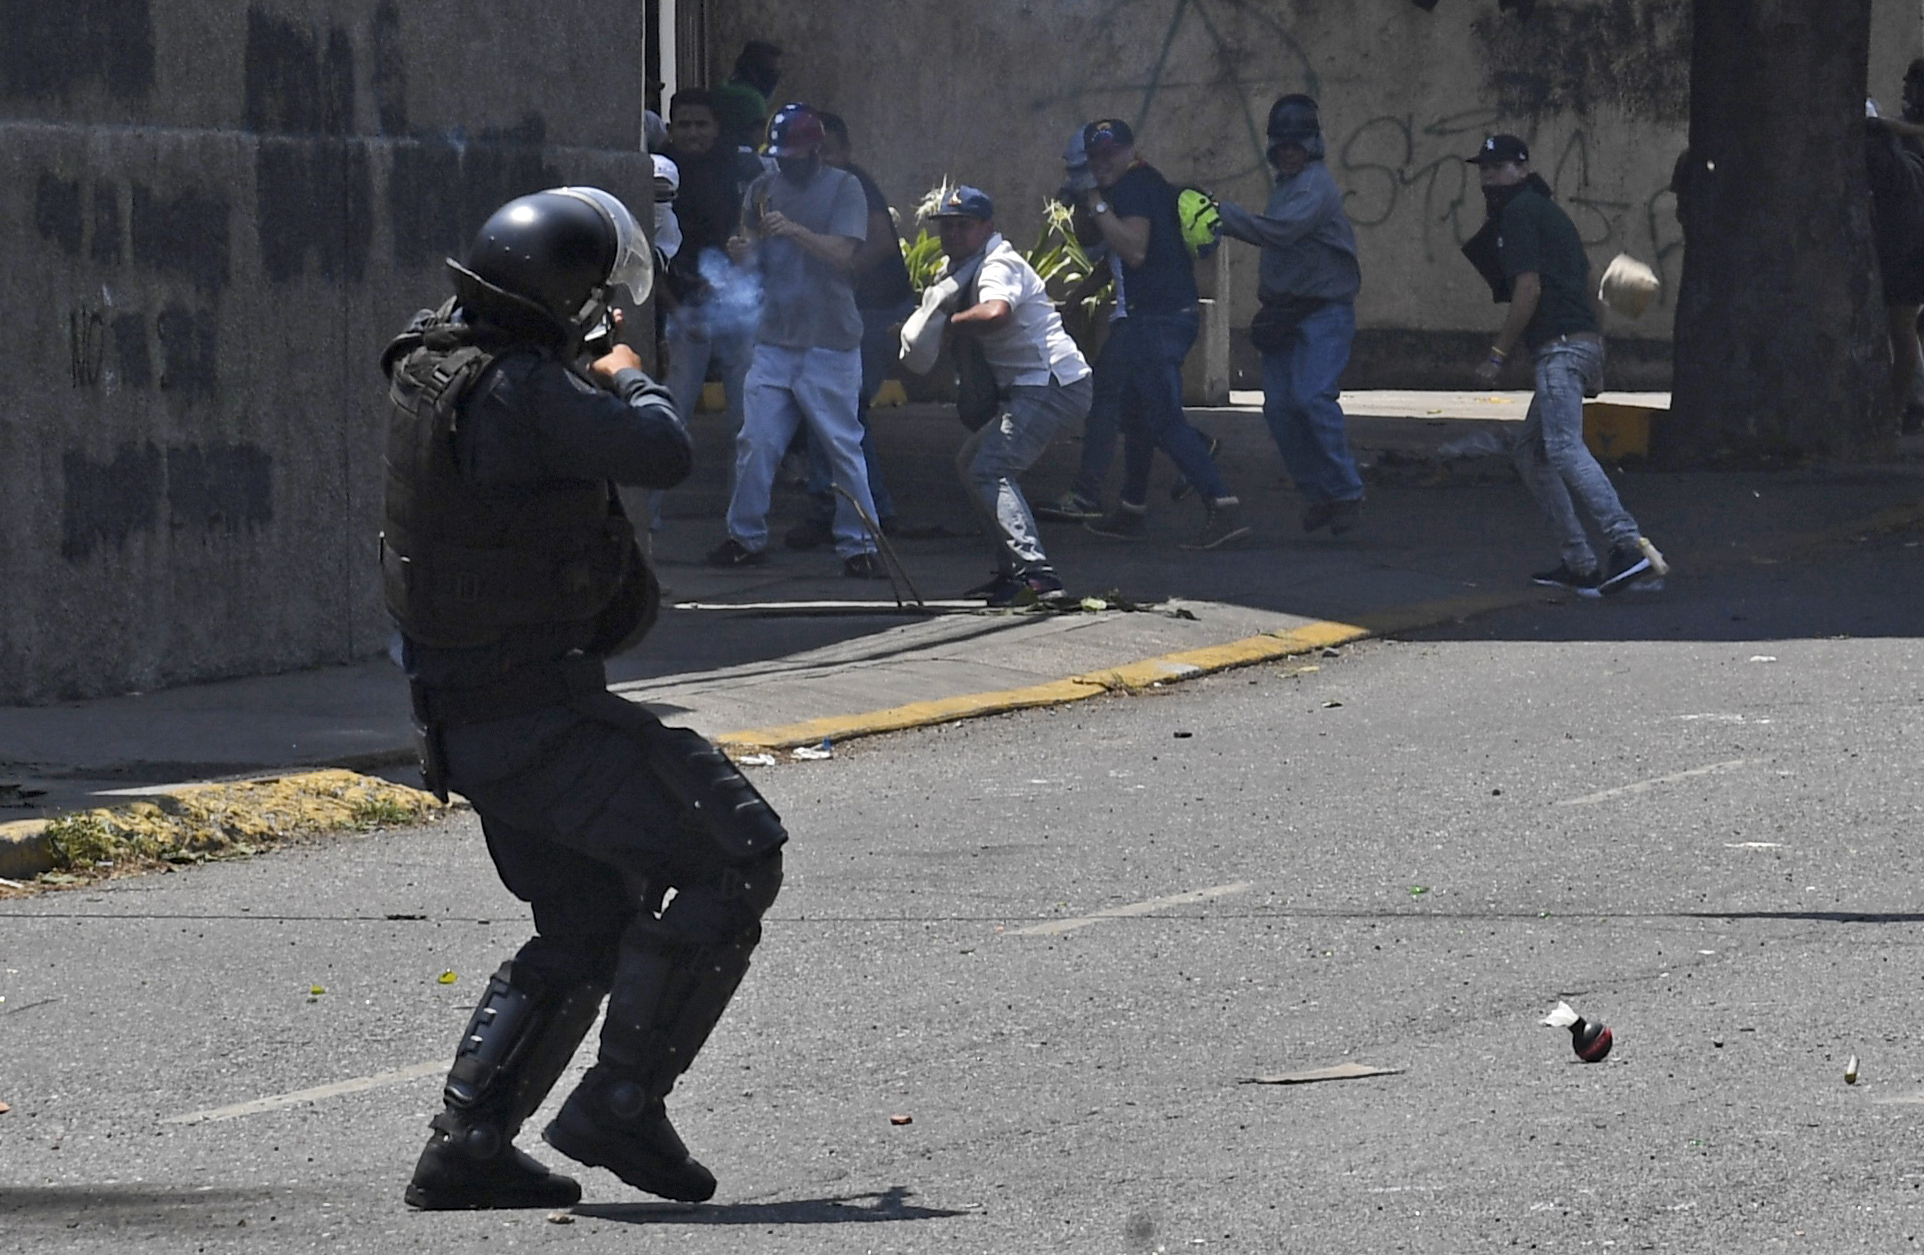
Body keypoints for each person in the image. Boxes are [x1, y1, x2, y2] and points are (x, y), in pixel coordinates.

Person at [382, 187, 787, 1210]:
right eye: (593, 300)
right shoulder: (521, 389)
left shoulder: (439, 364)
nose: (603, 318)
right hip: (536, 716)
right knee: (734, 852)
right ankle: (621, 1101)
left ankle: (466, 1143)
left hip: (469, 713)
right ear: (557, 293)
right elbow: (659, 450)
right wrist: (631, 374)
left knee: (586, 914)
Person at [1462, 134, 1665, 594]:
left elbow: (1527, 290)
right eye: (1483, 169)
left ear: (1522, 167)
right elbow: (1592, 283)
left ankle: (1628, 546)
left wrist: (1497, 355)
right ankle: (1579, 562)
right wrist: (1598, 356)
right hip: (1580, 343)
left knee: (1563, 448)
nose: (1488, 176)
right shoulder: (1549, 211)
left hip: (1558, 346)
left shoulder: (1517, 214)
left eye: (1498, 167)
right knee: (1531, 453)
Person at [710, 103, 887, 576]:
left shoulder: (844, 188)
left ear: (815, 150)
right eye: (780, 154)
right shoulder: (762, 189)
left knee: (842, 447)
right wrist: (744, 253)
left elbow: (843, 253)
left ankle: (859, 545)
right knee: (756, 442)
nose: (786, 162)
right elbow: (752, 252)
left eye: (794, 154)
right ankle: (744, 536)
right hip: (775, 338)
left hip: (829, 341)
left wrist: (794, 231)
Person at [1074, 119, 1249, 550]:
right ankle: (1132, 510)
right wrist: (1078, 296)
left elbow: (1133, 251)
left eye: (1110, 154)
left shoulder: (1133, 188)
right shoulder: (1145, 184)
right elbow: (1121, 258)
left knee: (1162, 418)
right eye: (1094, 157)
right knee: (1136, 416)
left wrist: (1096, 204)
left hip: (1154, 320)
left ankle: (1222, 505)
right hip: (1158, 317)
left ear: (1131, 151)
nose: (1101, 164)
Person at [916, 185, 1093, 604]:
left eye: (964, 225)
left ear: (987, 227)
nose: (954, 234)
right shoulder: (963, 266)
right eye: (948, 226)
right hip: (1033, 384)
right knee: (970, 461)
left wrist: (945, 323)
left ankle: (1039, 574)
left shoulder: (998, 264)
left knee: (990, 467)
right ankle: (1012, 572)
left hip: (1052, 382)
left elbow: (996, 313)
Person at [1216, 94, 1366, 534]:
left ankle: (1347, 491)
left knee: (1312, 398)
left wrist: (1221, 215)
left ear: (1313, 145)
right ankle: (1320, 494)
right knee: (1279, 409)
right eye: (1282, 145)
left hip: (1324, 312)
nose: (1289, 151)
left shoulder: (1315, 185)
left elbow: (1280, 233)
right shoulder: (1286, 185)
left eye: (1296, 144)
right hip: (1284, 313)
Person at [783, 111, 915, 549]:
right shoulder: (807, 188)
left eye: (827, 148)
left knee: (842, 409)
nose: (819, 157)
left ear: (843, 150)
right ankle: (858, 511)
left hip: (875, 312)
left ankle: (864, 512)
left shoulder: (852, 185)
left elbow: (879, 243)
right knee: (834, 409)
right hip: (843, 315)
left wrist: (843, 276)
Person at [658, 88, 763, 452]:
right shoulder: (658, 174)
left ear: (718, 128)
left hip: (738, 308)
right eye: (684, 124)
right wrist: (678, 310)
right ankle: (646, 512)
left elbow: (763, 234)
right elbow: (647, 253)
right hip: (684, 310)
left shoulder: (741, 171)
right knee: (670, 417)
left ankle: (746, 512)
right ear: (671, 129)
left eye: (702, 124)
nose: (693, 133)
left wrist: (742, 261)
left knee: (746, 424)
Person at [714, 40, 782, 155]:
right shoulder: (753, 99)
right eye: (770, 71)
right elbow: (759, 144)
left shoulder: (721, 87)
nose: (774, 78)